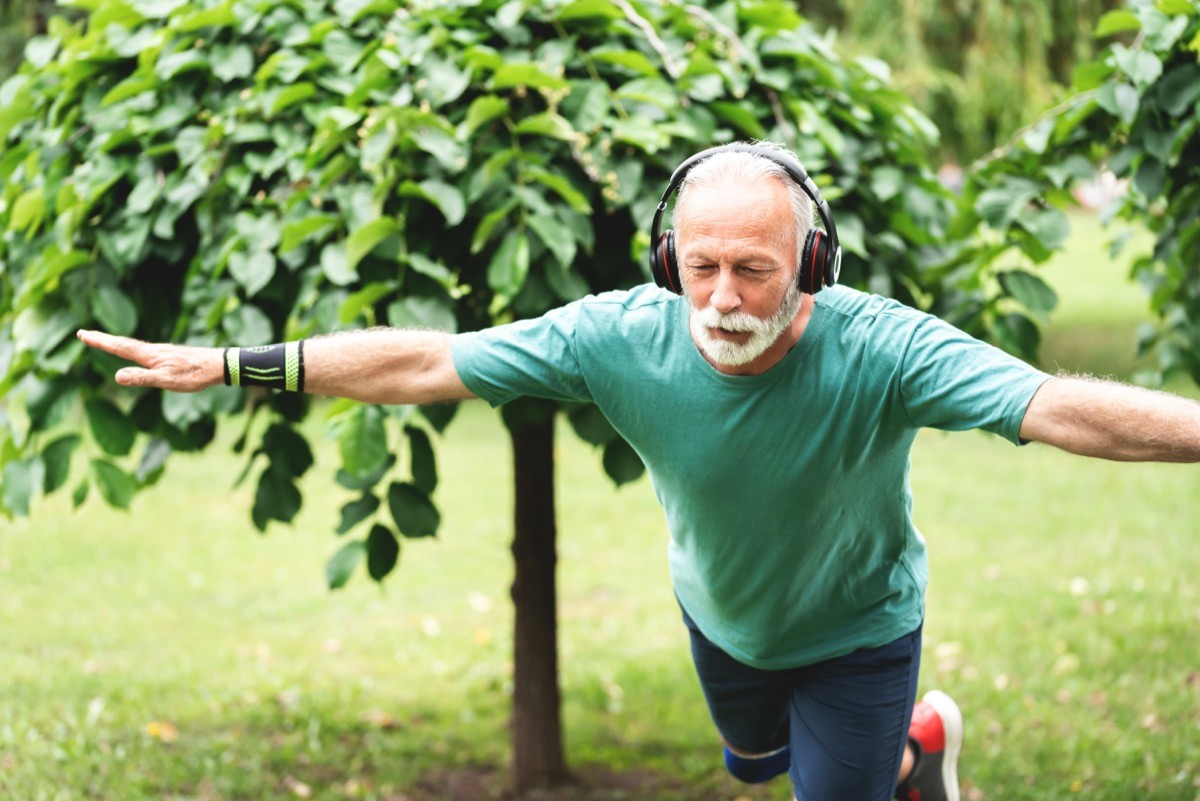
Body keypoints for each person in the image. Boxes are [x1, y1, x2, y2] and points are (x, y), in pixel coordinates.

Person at [77, 142, 1200, 801]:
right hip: (722, 619)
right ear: (668, 259)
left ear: (810, 265)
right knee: (752, 768)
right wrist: (231, 364)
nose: (721, 298)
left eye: (754, 272)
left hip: (861, 630)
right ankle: (919, 754)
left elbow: (1057, 409)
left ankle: (897, 755)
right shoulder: (619, 334)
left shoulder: (887, 350)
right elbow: (426, 359)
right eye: (700, 267)